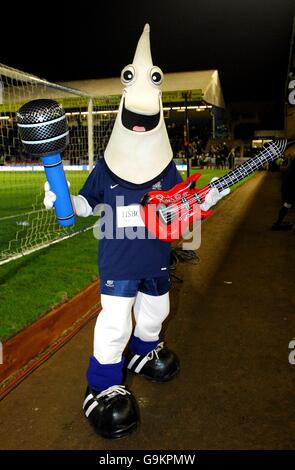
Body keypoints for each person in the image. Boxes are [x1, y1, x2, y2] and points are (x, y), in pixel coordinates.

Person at [44, 24, 228, 439]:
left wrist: (202, 201)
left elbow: (182, 203)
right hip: (119, 262)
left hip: (156, 260)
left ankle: (145, 353)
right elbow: (85, 205)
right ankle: (101, 384)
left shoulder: (165, 169)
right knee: (115, 323)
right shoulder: (105, 168)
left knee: (156, 313)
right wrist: (62, 201)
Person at [272, 157, 295, 231]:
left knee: (287, 204)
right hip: (289, 187)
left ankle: (278, 222)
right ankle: (278, 223)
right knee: (287, 204)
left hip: (287, 186)